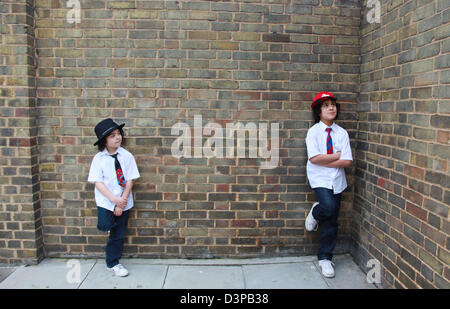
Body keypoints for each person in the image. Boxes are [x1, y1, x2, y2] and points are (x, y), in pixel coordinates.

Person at [305, 92, 353, 278]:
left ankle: (325, 257)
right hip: (319, 179)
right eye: (326, 105)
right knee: (328, 207)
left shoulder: (342, 133)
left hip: (337, 180)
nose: (331, 108)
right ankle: (316, 211)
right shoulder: (314, 132)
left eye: (333, 105)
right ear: (319, 111)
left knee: (332, 218)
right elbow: (314, 158)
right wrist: (336, 156)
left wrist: (326, 160)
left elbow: (347, 161)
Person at [88, 118, 140, 277]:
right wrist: (114, 200)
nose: (118, 137)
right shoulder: (99, 159)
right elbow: (98, 182)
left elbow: (130, 179)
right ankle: (109, 224)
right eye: (112, 135)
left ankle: (113, 263)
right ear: (104, 141)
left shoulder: (127, 156)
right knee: (104, 225)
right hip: (106, 201)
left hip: (124, 201)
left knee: (118, 234)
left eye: (118, 134)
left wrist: (121, 202)